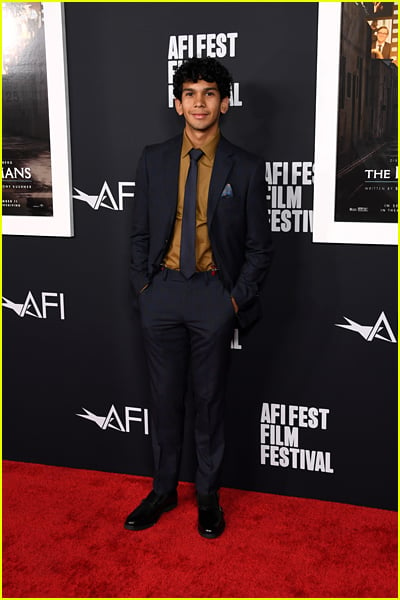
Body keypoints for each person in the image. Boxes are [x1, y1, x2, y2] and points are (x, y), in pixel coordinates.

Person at [125, 57, 273, 538]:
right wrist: (144, 289)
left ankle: (208, 497)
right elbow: (140, 233)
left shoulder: (246, 168)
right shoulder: (153, 158)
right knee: (165, 399)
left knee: (209, 402)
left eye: (209, 93)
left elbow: (258, 248)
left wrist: (233, 301)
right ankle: (164, 490)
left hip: (213, 294)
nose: (199, 102)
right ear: (177, 103)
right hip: (162, 292)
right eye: (190, 93)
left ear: (224, 103)